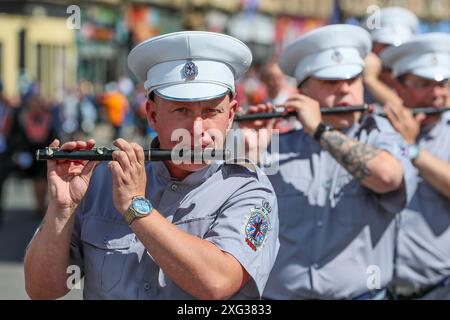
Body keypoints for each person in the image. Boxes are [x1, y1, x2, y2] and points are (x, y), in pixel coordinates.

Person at [24, 31, 279, 300]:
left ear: (230, 115)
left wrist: (136, 207)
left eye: (210, 111)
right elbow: (42, 290)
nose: (197, 129)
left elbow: (216, 282)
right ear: (152, 114)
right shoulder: (101, 179)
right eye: (181, 110)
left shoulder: (248, 188)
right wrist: (61, 209)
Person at [239, 24, 416, 300]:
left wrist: (319, 130)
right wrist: (249, 151)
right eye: (330, 82)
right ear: (304, 93)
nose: (344, 90)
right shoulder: (277, 142)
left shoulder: (382, 132)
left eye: (352, 79)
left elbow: (388, 177)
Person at [380, 33, 450, 299]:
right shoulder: (379, 130)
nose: (438, 94)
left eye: (443, 84)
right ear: (399, 87)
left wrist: (411, 149)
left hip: (438, 289)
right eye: (425, 84)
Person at [363, 7, 419, 106]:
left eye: (401, 47)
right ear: (372, 48)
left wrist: (371, 80)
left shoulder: (417, 78)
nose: (393, 53)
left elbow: (405, 110)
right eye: (386, 46)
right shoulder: (356, 81)